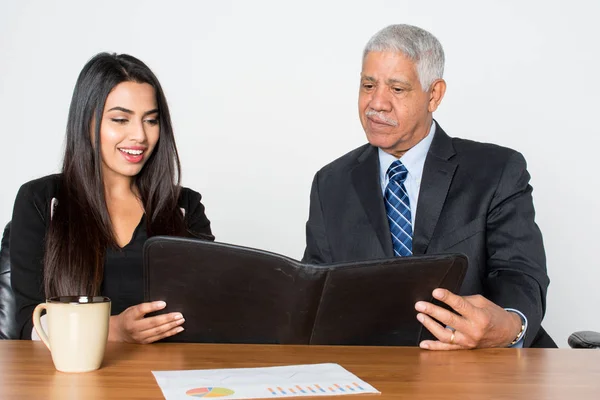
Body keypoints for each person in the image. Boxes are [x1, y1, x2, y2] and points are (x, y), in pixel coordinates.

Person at [302, 24, 554, 349]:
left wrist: (509, 324)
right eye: (368, 85)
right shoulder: (330, 183)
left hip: (477, 370)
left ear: (433, 94)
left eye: (397, 89)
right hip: (375, 369)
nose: (376, 103)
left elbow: (520, 273)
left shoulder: (497, 171)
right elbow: (314, 291)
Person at [10, 53, 214, 344]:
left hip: (169, 378)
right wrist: (115, 329)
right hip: (73, 383)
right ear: (86, 121)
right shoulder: (43, 201)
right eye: (120, 119)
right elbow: (27, 326)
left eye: (151, 120)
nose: (140, 136)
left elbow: (210, 311)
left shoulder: (184, 207)